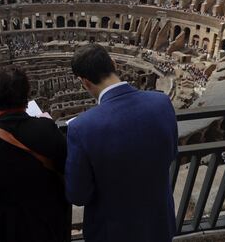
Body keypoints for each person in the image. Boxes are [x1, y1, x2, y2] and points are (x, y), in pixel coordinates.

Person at [65, 44, 178, 242]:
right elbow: (170, 154)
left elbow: (78, 195)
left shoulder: (81, 128)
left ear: (85, 82)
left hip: (114, 232)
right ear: (114, 64)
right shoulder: (162, 103)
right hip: (158, 222)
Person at [0, 66, 69, 242]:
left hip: (4, 227)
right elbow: (65, 164)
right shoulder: (47, 128)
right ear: (26, 95)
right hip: (47, 224)